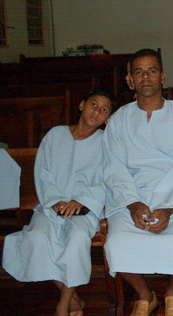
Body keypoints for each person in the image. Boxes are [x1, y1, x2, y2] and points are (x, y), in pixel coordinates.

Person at [2, 87, 115, 316]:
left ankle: (63, 303)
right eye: (94, 104)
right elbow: (43, 173)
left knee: (76, 239)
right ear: (82, 104)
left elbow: (108, 180)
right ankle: (75, 300)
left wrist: (81, 200)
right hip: (51, 205)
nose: (97, 112)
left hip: (85, 209)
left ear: (107, 119)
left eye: (104, 110)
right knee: (36, 239)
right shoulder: (56, 135)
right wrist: (53, 200)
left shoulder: (106, 143)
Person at [102, 48, 173, 316]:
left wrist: (168, 207)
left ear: (162, 77)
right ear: (130, 80)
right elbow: (112, 167)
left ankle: (172, 291)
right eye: (138, 72)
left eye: (152, 71)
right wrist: (132, 203)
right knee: (115, 244)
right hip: (130, 197)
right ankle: (145, 294)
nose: (145, 77)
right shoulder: (119, 120)